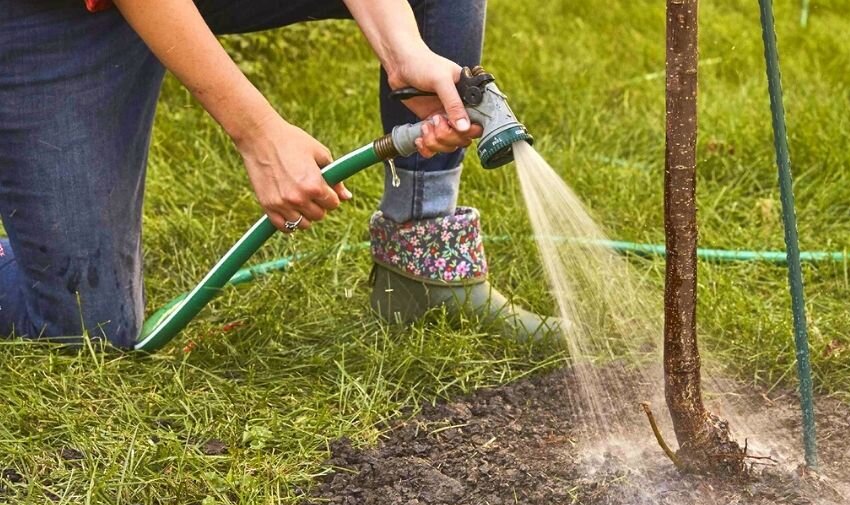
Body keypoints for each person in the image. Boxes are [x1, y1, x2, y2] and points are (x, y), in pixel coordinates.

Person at [0, 0, 558, 350]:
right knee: (85, 326)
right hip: (50, 16)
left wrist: (403, 51)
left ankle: (424, 261)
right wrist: (259, 133)